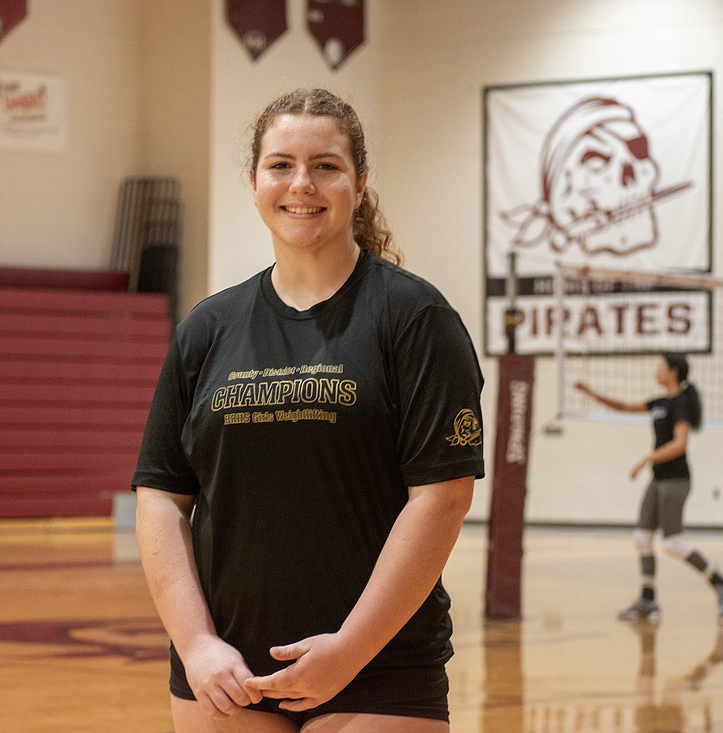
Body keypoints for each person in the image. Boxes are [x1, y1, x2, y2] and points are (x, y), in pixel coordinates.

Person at [132, 88, 485, 732]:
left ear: (360, 181)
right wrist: (197, 645)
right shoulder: (207, 328)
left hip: (378, 668)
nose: (302, 184)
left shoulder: (415, 318)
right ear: (254, 179)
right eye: (280, 165)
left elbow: (442, 499)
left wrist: (349, 650)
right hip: (225, 670)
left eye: (325, 165)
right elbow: (161, 498)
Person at [574, 353, 723, 623]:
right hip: (659, 478)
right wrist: (591, 392)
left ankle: (722, 583)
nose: (656, 370)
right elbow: (624, 407)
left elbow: (680, 444)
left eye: (661, 366)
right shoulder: (661, 402)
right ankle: (648, 600)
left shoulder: (682, 403)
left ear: (673, 371)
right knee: (641, 538)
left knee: (673, 542)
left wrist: (646, 459)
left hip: (676, 479)